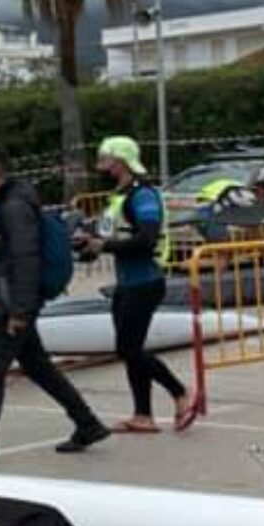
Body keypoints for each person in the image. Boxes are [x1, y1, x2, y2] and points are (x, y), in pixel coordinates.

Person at [0, 145, 109, 463]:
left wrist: (21, 310)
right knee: (39, 367)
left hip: (11, 304)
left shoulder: (15, 207)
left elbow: (26, 259)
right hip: (9, 301)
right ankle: (87, 423)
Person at [81, 137, 196, 434]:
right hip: (127, 283)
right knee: (130, 349)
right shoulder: (119, 195)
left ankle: (181, 392)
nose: (101, 165)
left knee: (129, 349)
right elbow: (111, 237)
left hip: (145, 282)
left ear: (121, 161)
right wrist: (88, 245)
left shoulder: (143, 195)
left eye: (106, 159)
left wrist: (103, 245)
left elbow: (146, 239)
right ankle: (143, 415)